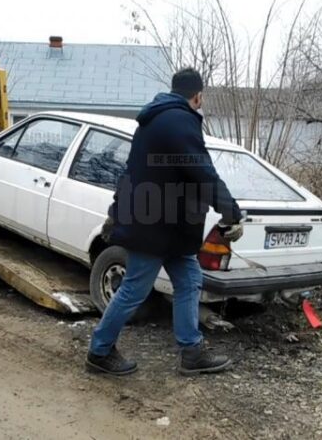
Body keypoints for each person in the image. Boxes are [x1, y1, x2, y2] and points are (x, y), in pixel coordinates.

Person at [85, 67, 244, 376]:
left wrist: (115, 212)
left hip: (171, 227)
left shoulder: (155, 120)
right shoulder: (179, 121)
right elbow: (203, 172)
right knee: (135, 289)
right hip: (154, 226)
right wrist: (231, 212)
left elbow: (132, 171)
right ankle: (99, 351)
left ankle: (191, 352)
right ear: (198, 96)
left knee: (189, 281)